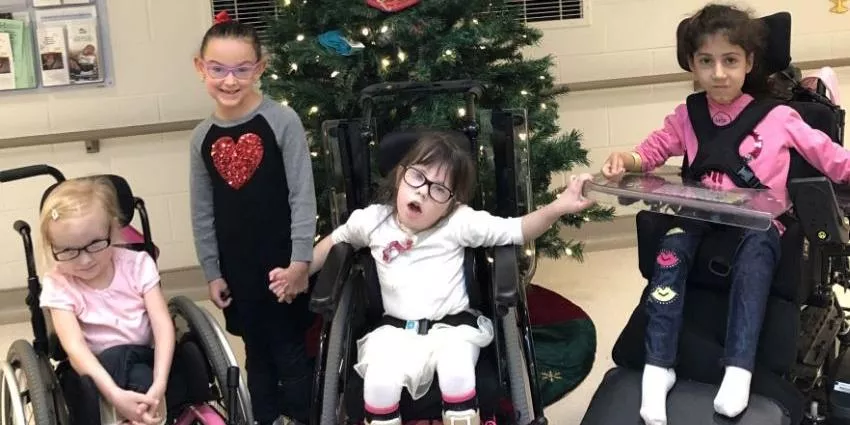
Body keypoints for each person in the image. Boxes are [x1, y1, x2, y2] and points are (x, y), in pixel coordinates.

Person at [601, 4, 850, 425]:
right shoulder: (688, 115)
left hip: (759, 224)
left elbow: (831, 158)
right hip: (699, 218)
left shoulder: (781, 117)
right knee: (668, 260)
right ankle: (658, 367)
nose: (718, 73)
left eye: (730, 60)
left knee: (753, 267)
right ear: (693, 65)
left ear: (748, 62)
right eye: (706, 61)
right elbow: (653, 149)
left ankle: (738, 369)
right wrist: (626, 159)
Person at [288, 131, 595, 425]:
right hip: (393, 332)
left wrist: (559, 207)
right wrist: (299, 271)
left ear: (451, 202)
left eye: (438, 189)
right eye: (417, 177)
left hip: (453, 328)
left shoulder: (458, 222)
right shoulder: (373, 221)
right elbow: (335, 241)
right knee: (379, 383)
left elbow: (516, 230)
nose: (423, 191)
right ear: (400, 176)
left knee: (457, 371)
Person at [189, 10, 317, 425]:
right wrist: (212, 271)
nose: (229, 81)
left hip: (283, 266)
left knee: (289, 351)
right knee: (256, 355)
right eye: (218, 69)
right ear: (200, 68)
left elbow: (302, 196)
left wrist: (300, 263)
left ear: (259, 69)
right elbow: (202, 211)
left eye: (242, 69)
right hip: (237, 268)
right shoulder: (201, 137)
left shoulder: (282, 121)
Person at [39, 177, 174, 425]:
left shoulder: (138, 265)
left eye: (94, 244)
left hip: (145, 358)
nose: (84, 261)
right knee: (110, 374)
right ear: (52, 247)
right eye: (68, 251)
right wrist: (114, 395)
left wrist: (160, 382)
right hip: (91, 370)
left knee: (176, 364)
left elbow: (163, 325)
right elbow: (75, 347)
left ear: (112, 231)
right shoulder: (59, 284)